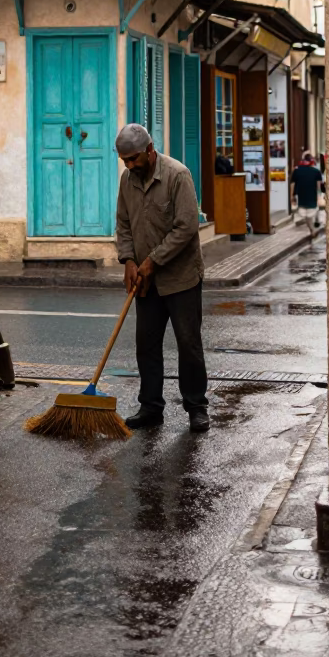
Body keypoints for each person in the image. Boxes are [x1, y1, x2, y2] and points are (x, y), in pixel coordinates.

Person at [114, 123, 209, 433]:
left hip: (181, 278)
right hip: (146, 281)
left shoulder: (178, 175)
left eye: (134, 159)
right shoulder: (127, 180)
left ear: (150, 150)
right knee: (146, 345)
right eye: (124, 161)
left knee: (189, 344)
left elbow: (186, 227)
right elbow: (123, 224)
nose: (130, 166)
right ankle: (151, 407)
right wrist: (129, 260)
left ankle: (196, 406)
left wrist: (153, 260)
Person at [290, 150, 324, 240]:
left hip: (301, 195)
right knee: (310, 213)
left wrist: (292, 196)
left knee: (305, 214)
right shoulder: (316, 171)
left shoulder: (297, 171)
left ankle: (313, 229)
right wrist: (319, 196)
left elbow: (292, 184)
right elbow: (319, 186)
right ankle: (313, 228)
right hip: (312, 195)